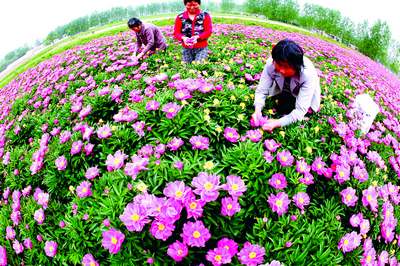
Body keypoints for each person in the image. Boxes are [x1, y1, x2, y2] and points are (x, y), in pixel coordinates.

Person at [252, 39, 321, 131]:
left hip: (304, 95)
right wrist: (257, 110)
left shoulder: (307, 74)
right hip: (284, 89)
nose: (281, 70)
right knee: (282, 105)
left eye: (286, 67)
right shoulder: (271, 64)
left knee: (301, 113)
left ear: (296, 66)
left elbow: (300, 110)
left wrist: (278, 123)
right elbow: (262, 90)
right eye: (279, 64)